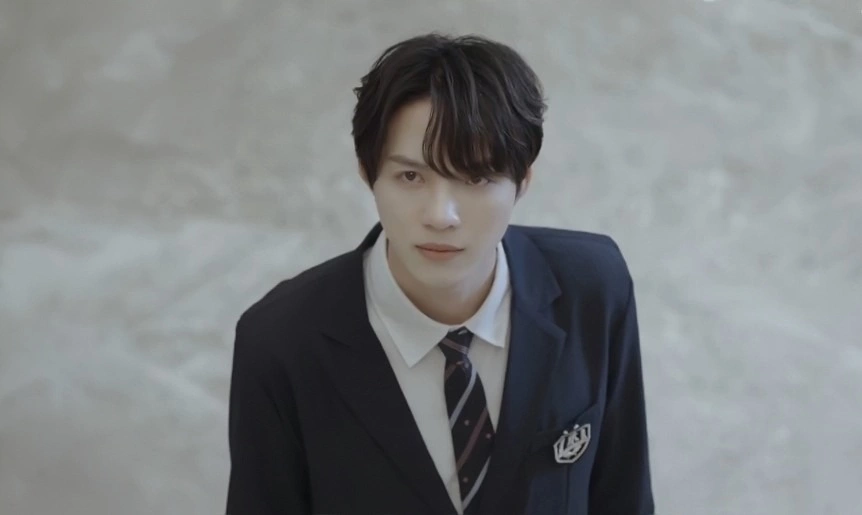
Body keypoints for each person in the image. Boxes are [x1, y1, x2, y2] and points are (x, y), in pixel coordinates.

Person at [225, 32, 654, 515]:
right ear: (367, 173)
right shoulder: (280, 340)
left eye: (475, 178)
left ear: (523, 181)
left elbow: (625, 496)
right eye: (411, 176)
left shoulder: (592, 287)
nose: (440, 215)